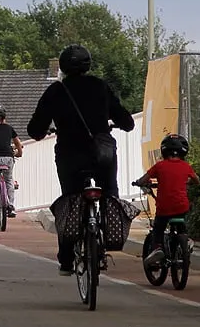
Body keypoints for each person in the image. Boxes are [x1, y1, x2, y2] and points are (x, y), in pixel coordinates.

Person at [28, 45, 135, 276]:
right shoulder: (100, 87)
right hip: (102, 154)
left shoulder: (56, 91)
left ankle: (66, 259)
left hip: (70, 155)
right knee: (109, 193)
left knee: (71, 200)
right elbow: (127, 122)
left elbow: (35, 129)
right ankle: (106, 238)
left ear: (64, 67)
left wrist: (46, 130)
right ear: (88, 65)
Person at [136, 133, 200, 266]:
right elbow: (197, 180)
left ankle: (157, 249)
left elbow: (144, 179)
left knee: (158, 229)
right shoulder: (186, 166)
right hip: (181, 206)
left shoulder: (159, 166)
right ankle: (186, 240)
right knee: (181, 223)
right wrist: (188, 181)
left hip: (164, 207)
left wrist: (138, 182)